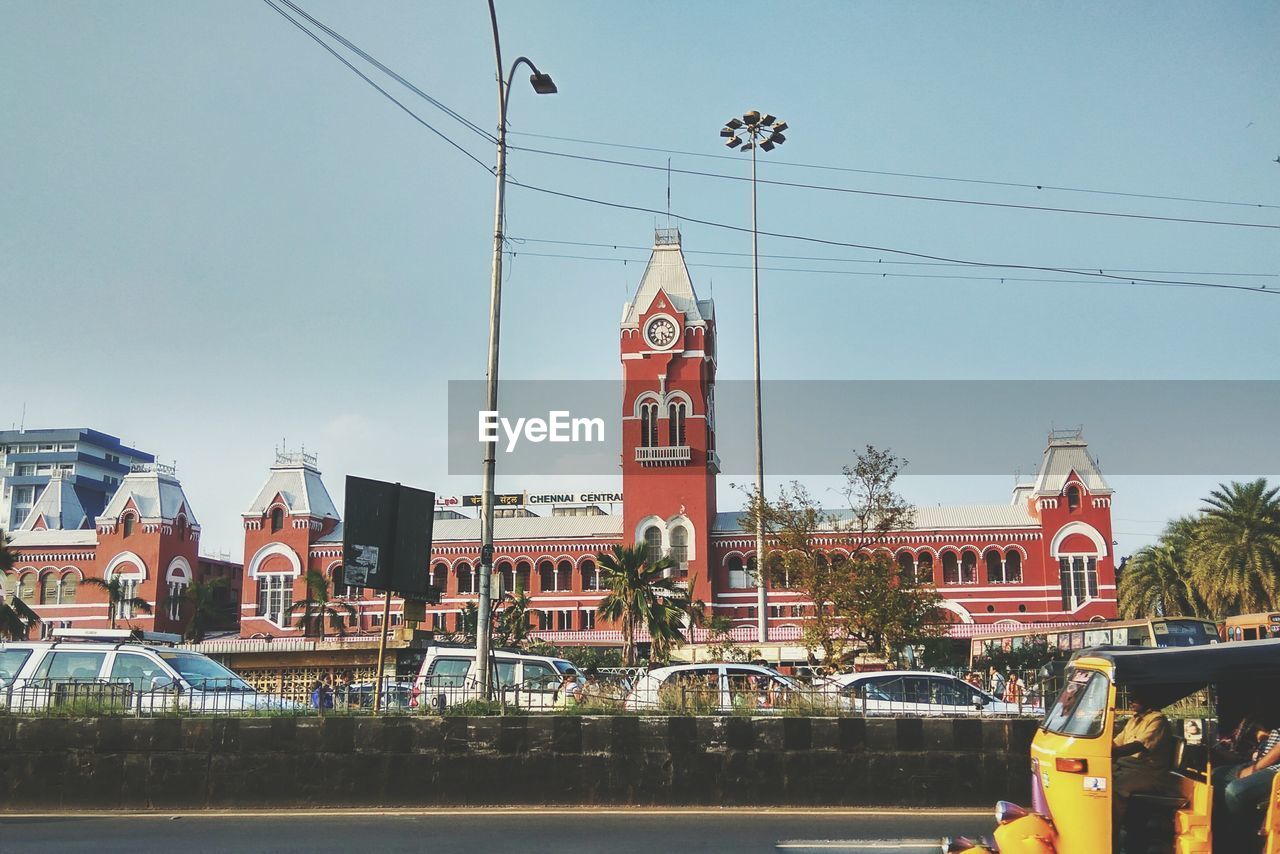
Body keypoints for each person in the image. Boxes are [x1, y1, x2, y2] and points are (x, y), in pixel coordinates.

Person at [1112, 690, 1176, 825]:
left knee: (1115, 789)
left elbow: (1138, 746)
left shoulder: (1158, 720)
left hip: (1149, 773)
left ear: (1147, 699)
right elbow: (1116, 743)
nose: (1131, 701)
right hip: (1128, 768)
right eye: (1130, 698)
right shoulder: (1132, 720)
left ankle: (1114, 832)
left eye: (1135, 698)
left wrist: (1113, 753)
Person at [1213, 719, 1280, 819]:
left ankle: (1238, 829)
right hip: (1260, 761)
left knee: (1234, 791)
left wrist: (1256, 768)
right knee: (1215, 775)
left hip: (1275, 770)